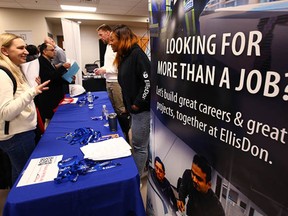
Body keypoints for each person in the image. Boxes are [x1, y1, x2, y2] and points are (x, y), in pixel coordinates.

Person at [0, 33, 50, 185]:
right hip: (16, 137)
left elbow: (20, 98)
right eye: (20, 48)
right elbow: (6, 113)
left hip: (22, 133)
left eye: (26, 48)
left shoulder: (15, 69)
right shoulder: (3, 74)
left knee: (19, 173)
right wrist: (32, 91)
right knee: (27, 178)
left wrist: (34, 87)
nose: (26, 52)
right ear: (4, 51)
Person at [110, 25, 151, 177]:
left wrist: (137, 103)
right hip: (134, 110)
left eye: (113, 39)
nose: (110, 42)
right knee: (138, 144)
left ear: (122, 39)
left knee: (139, 147)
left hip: (141, 109)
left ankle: (136, 179)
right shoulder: (124, 56)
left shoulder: (137, 55)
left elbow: (148, 82)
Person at [95, 24, 130, 139]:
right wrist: (102, 69)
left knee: (120, 109)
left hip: (116, 81)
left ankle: (124, 132)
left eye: (101, 34)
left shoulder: (116, 45)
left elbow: (118, 66)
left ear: (108, 32)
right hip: (109, 80)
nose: (100, 37)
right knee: (112, 108)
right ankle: (116, 130)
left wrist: (104, 70)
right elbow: (108, 64)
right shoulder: (107, 46)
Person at [37, 42, 71, 127]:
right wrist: (63, 67)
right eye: (52, 50)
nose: (54, 52)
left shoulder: (49, 61)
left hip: (55, 95)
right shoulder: (41, 62)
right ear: (44, 51)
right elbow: (51, 77)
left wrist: (68, 78)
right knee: (52, 123)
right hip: (49, 97)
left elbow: (56, 77)